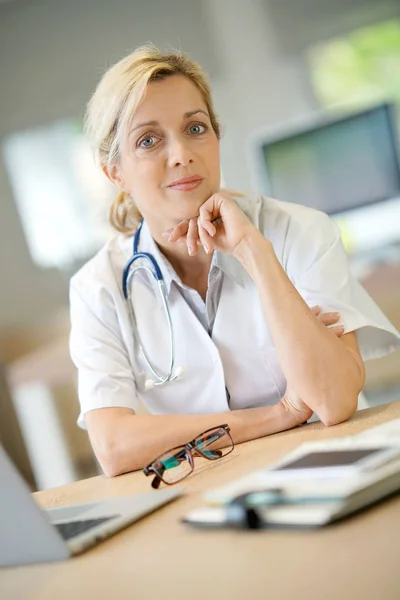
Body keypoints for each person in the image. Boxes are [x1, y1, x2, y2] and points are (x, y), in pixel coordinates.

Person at [70, 45, 400, 477]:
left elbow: (333, 401)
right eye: (148, 140)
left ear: (217, 136)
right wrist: (279, 414)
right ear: (114, 172)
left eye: (195, 128)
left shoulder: (299, 232)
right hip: (209, 489)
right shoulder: (100, 287)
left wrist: (254, 252)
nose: (181, 154)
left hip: (338, 469)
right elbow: (114, 447)